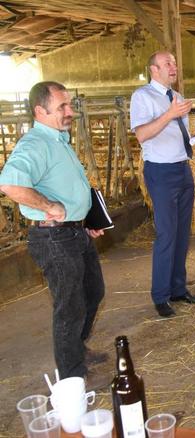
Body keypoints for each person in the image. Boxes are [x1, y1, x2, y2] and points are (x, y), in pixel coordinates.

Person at [0, 81, 108, 383]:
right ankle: (71, 378)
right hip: (54, 237)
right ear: (40, 110)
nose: (70, 111)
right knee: (69, 306)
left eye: (69, 104)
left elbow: (68, 186)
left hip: (76, 232)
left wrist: (85, 218)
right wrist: (48, 205)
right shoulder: (35, 143)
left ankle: (75, 347)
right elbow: (9, 184)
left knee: (93, 292)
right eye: (62, 106)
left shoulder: (59, 139)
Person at [130, 51, 195, 318]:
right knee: (166, 234)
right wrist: (169, 113)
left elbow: (176, 135)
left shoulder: (177, 97)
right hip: (160, 172)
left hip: (182, 168)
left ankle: (178, 289)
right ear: (154, 69)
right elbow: (141, 134)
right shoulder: (143, 96)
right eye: (167, 64)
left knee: (183, 233)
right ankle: (160, 296)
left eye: (174, 62)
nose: (174, 67)